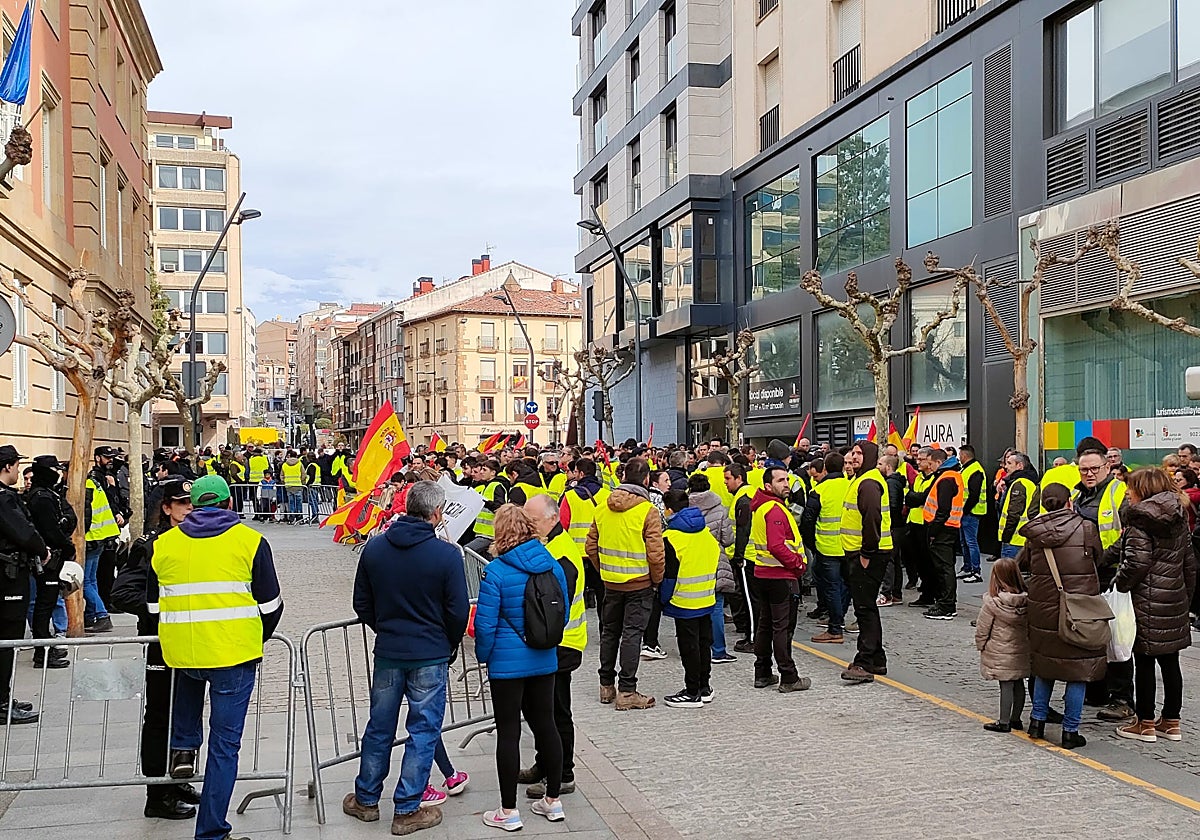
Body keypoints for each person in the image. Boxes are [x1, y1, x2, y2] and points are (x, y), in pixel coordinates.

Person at [147, 475, 284, 840]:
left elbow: (152, 606)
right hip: (233, 655)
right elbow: (271, 605)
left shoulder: (164, 544)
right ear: (229, 503)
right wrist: (254, 637)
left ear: (194, 506)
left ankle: (184, 747)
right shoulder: (250, 541)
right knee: (224, 746)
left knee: (189, 695)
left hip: (183, 653)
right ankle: (210, 831)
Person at [342, 480, 468, 835]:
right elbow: (458, 610)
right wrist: (448, 642)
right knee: (423, 730)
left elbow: (362, 603)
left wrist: (385, 627)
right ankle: (407, 807)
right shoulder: (446, 555)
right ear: (437, 513)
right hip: (429, 652)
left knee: (379, 727)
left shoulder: (375, 548)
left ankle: (366, 798)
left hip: (389, 651)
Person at [110, 478, 201, 820]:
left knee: (185, 715)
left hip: (192, 644)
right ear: (166, 508)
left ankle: (175, 780)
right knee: (160, 716)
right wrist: (165, 611)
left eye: (192, 503)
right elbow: (122, 594)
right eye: (181, 503)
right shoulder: (151, 545)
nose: (189, 509)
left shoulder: (198, 542)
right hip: (162, 644)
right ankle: (157, 794)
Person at [474, 505, 569, 831]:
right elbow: (561, 612)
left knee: (509, 732)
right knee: (546, 726)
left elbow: (485, 624)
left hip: (506, 664)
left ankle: (508, 811)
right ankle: (553, 801)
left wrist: (484, 656)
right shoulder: (552, 565)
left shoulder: (496, 572)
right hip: (544, 659)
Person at [1018, 482, 1105, 750]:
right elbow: (1098, 558)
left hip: (1043, 608)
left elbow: (1022, 563)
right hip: (1078, 608)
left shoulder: (1035, 533)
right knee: (1077, 670)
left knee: (1045, 666)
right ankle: (1070, 731)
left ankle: (1037, 722)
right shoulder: (1086, 528)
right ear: (1069, 502)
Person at [1113, 467, 1196, 744]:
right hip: (1174, 598)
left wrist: (1119, 585)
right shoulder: (1179, 517)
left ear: (1144, 490)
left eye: (1131, 487)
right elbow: (1189, 564)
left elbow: (1136, 563)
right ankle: (1172, 722)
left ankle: (1145, 722)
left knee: (1145, 662)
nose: (1128, 492)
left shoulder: (1140, 521)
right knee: (1171, 662)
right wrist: (1184, 598)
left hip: (1145, 600)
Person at [518, 494, 587, 798]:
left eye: (533, 520)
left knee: (556, 711)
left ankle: (563, 774)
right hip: (551, 642)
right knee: (540, 709)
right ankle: (544, 763)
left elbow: (556, 606)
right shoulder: (548, 544)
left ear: (553, 518)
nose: (529, 525)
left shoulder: (562, 554)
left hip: (562, 644)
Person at [585, 457, 664, 711]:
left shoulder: (602, 507)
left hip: (611, 583)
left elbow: (590, 546)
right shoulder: (647, 511)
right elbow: (656, 554)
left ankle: (606, 686)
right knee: (632, 635)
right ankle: (627, 691)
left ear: (622, 477)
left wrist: (604, 569)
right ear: (647, 480)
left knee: (610, 632)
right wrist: (657, 580)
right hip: (639, 584)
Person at [1072, 443, 1133, 722]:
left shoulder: (1119, 492)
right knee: (1091, 636)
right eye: (1083, 469)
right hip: (1087, 576)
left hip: (1113, 576)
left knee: (1117, 639)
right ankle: (1096, 690)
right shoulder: (1078, 495)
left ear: (1107, 467)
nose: (1089, 473)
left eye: (1094, 468)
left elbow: (1129, 536)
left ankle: (1122, 699)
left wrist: (1106, 561)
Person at [749, 466, 811, 692]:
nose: (786, 484)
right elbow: (776, 545)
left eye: (787, 479)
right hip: (780, 576)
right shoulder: (774, 510)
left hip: (763, 573)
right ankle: (789, 676)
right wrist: (798, 564)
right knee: (782, 628)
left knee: (765, 625)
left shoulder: (762, 506)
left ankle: (763, 672)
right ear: (768, 485)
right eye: (780, 480)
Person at [657, 489, 720, 707]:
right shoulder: (706, 533)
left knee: (688, 647)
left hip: (683, 600)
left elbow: (669, 577)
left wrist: (663, 600)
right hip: (707, 598)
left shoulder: (671, 538)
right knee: (704, 644)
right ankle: (704, 687)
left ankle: (692, 692)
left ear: (669, 510)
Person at [0, 445, 46, 724]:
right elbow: (24, 532)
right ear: (7, 466)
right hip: (8, 578)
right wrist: (42, 550)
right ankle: (2, 703)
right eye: (17, 465)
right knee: (8, 640)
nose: (18, 471)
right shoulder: (3, 498)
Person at [839, 441, 892, 683]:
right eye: (854, 453)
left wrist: (866, 553)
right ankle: (877, 659)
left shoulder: (869, 482)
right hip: (865, 552)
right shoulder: (862, 479)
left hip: (869, 554)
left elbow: (872, 519)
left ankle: (865, 661)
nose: (855, 457)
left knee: (864, 608)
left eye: (860, 453)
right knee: (866, 605)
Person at [24, 455, 75, 669]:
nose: (59, 474)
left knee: (47, 604)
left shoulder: (47, 494)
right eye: (55, 470)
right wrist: (67, 547)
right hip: (47, 559)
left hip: (49, 557)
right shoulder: (42, 498)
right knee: (44, 605)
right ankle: (42, 651)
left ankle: (45, 646)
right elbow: (51, 531)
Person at [974, 557, 1030, 733]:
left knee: (1005, 684)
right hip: (1021, 649)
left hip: (1000, 650)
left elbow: (982, 628)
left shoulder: (993, 603)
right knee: (1018, 683)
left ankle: (1004, 721)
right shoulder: (1027, 601)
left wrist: (981, 645)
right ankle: (1016, 718)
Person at [686, 473, 737, 664]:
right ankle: (718, 650)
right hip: (715, 559)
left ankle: (695, 647)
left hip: (691, 560)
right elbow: (728, 539)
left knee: (692, 605)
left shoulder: (684, 507)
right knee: (716, 606)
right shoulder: (720, 508)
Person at [804, 452, 851, 644]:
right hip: (849, 546)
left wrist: (812, 545)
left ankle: (835, 627)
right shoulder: (852, 486)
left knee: (831, 588)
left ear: (825, 468)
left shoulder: (819, 491)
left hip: (827, 548)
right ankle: (839, 617)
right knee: (846, 585)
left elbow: (807, 522)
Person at [922, 447, 964, 621]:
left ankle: (946, 606)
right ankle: (946, 603)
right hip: (948, 527)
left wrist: (933, 531)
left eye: (931, 463)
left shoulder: (946, 479)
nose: (929, 467)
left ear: (939, 462)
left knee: (944, 568)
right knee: (945, 567)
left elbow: (943, 510)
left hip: (943, 529)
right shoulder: (951, 476)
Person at [83, 454, 120, 634]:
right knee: (91, 580)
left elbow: (85, 516)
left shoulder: (86, 486)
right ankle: (91, 615)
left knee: (84, 582)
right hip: (101, 536)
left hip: (92, 537)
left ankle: (102, 615)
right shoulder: (94, 483)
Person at [724, 461, 756, 653]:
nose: (725, 482)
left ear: (739, 478)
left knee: (749, 599)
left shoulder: (743, 499)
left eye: (728, 478)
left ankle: (752, 638)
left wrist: (738, 556)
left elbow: (743, 530)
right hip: (752, 554)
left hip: (746, 555)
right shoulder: (749, 493)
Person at [904, 450, 936, 606]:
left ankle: (930, 594)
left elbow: (924, 498)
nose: (918, 462)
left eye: (921, 459)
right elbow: (910, 497)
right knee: (917, 560)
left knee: (927, 561)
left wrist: (915, 498)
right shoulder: (918, 477)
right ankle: (925, 591)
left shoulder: (934, 479)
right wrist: (915, 498)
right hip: (913, 522)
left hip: (925, 524)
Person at [997, 452, 1040, 560]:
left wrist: (1006, 537)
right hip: (1022, 538)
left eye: (1009, 463)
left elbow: (1013, 514)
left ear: (1020, 466)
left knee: (1009, 570)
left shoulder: (1020, 484)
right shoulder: (1028, 482)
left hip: (1014, 540)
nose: (1006, 467)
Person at [878, 454, 907, 606]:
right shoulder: (895, 482)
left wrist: (888, 524)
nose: (878, 467)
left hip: (893, 526)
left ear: (888, 466)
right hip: (897, 526)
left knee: (889, 559)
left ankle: (886, 594)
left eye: (880, 464)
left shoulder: (890, 484)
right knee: (895, 560)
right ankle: (896, 594)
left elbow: (893, 506)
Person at [958, 445, 987, 584]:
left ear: (964, 456)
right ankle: (967, 567)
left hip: (971, 512)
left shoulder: (975, 470)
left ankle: (976, 571)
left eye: (960, 455)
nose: (959, 458)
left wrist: (964, 510)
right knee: (965, 542)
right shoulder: (967, 469)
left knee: (971, 542)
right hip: (966, 512)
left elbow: (974, 495)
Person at [467, 459, 507, 556]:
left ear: (493, 472)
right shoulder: (483, 486)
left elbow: (501, 508)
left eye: (484, 470)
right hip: (480, 532)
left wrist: (486, 502)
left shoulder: (497, 486)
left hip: (490, 534)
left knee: (467, 551)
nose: (481, 472)